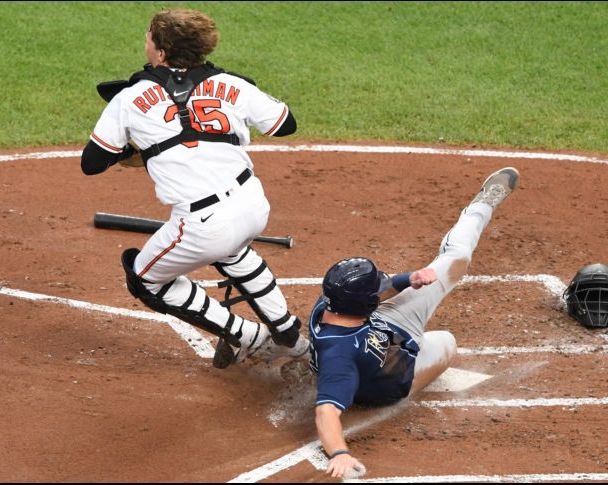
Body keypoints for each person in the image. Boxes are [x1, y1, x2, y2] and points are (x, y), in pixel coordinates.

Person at [81, 8, 308, 368]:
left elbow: (91, 163)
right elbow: (286, 124)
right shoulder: (232, 83)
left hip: (203, 223)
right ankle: (288, 332)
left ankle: (249, 337)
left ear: (161, 52)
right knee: (231, 251)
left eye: (149, 38)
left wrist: (139, 147)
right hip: (253, 203)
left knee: (143, 279)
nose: (146, 43)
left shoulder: (129, 98)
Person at [309, 167, 520, 478]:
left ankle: (482, 204)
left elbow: (377, 296)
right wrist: (339, 453)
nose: (383, 286)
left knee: (456, 258)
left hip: (386, 323)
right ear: (364, 302)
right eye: (375, 288)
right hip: (397, 377)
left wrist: (411, 280)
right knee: (446, 343)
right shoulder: (339, 356)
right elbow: (326, 412)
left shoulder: (335, 302)